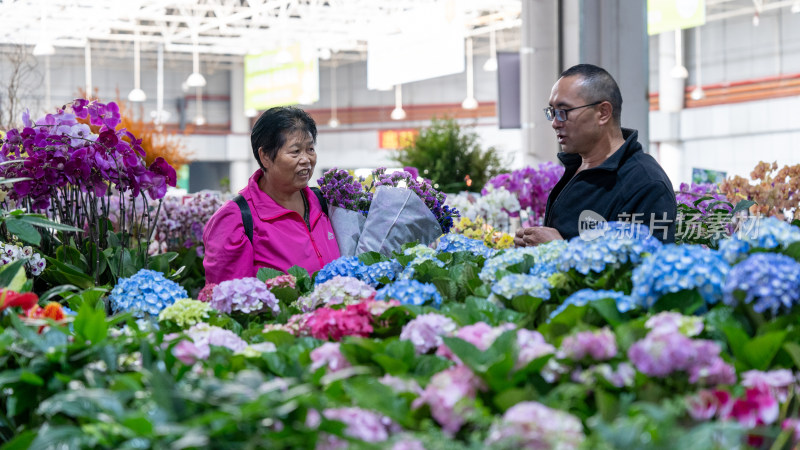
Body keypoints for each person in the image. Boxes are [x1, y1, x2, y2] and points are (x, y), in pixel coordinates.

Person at [515, 64, 676, 247]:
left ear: (603, 113)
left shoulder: (645, 184)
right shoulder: (577, 169)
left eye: (563, 112)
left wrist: (559, 251)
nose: (554, 123)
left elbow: (645, 269)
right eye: (552, 112)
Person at [203, 106, 340, 283]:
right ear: (265, 156)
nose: (306, 159)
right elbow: (230, 300)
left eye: (310, 149)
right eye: (295, 151)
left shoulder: (321, 203)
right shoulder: (235, 220)